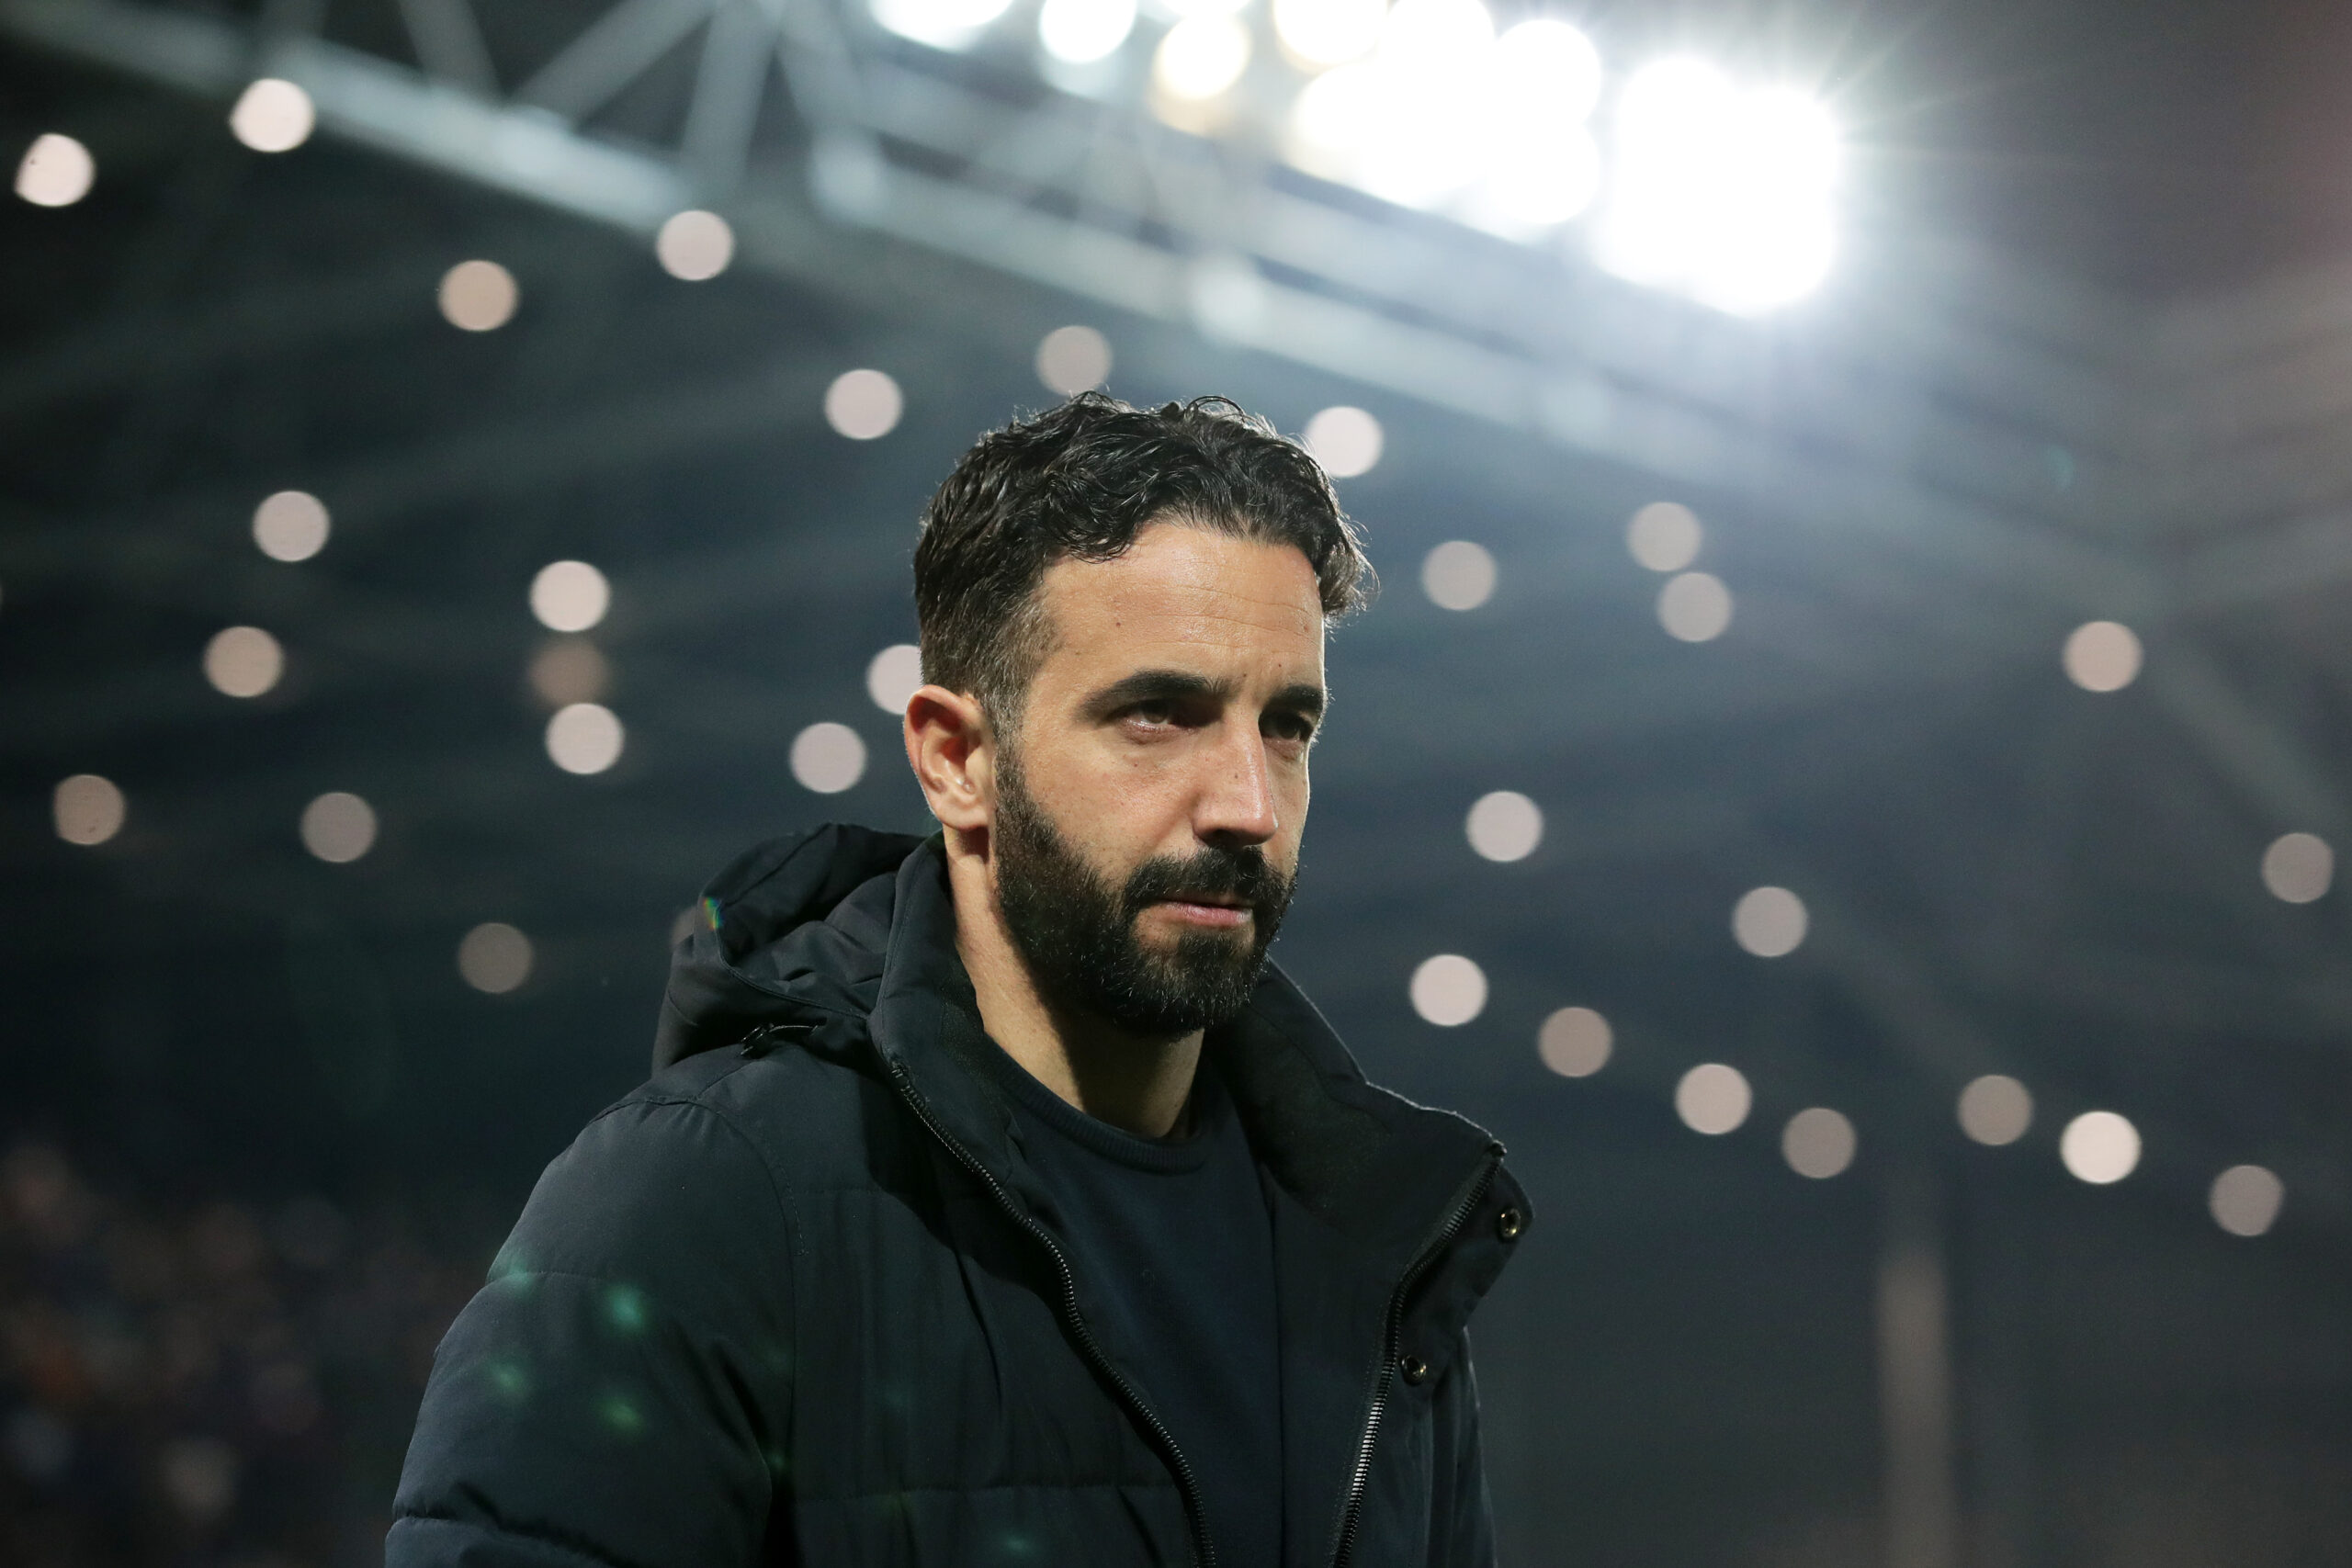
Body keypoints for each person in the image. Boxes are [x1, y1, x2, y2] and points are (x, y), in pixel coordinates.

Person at [388, 393, 1531, 1567]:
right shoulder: (701, 1203)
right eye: (1157, 715)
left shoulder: (1381, 1240)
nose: (1247, 805)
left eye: (1286, 726)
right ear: (956, 760)